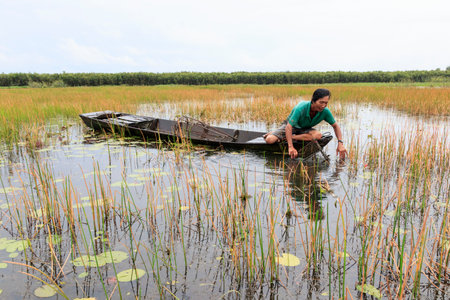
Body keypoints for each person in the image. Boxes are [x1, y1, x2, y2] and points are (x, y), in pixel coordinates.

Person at [264, 88, 347, 159]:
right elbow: (289, 127)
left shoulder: (325, 111)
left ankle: (288, 137)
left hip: (305, 128)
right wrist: (291, 147)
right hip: (291, 126)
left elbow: (335, 126)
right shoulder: (301, 108)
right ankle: (275, 133)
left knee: (318, 135)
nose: (323, 106)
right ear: (313, 100)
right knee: (270, 140)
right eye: (321, 102)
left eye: (326, 103)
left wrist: (340, 143)